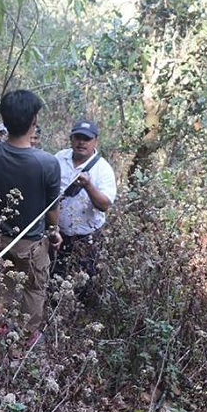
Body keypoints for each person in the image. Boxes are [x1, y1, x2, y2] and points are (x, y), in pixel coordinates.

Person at [0, 89, 62, 347]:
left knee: (8, 272)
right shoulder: (47, 163)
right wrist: (54, 231)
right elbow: (53, 208)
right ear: (34, 122)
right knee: (34, 285)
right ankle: (26, 334)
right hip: (30, 242)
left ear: (4, 119)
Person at [54, 118, 117, 309]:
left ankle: (75, 317)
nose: (82, 142)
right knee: (53, 278)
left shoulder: (103, 169)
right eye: (78, 138)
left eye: (86, 139)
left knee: (83, 283)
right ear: (71, 139)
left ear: (95, 141)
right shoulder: (58, 159)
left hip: (86, 237)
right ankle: (52, 316)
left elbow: (105, 204)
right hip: (57, 234)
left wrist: (89, 185)